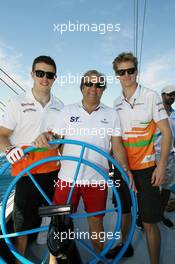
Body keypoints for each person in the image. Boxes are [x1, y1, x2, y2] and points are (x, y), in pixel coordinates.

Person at [34, 70, 135, 264]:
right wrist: (46, 137)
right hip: (67, 179)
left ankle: (100, 259)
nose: (93, 89)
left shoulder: (111, 114)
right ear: (82, 87)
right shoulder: (67, 111)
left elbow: (117, 145)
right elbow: (56, 139)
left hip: (97, 181)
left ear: (103, 90)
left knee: (96, 223)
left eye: (98, 85)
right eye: (89, 84)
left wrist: (125, 168)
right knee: (58, 226)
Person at [106, 52, 172, 264]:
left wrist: (161, 167)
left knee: (149, 221)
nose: (126, 75)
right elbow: (117, 140)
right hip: (123, 167)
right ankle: (124, 246)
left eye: (130, 70)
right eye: (121, 72)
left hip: (147, 168)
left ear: (137, 72)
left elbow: (167, 132)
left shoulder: (151, 96)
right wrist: (124, 170)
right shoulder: (116, 102)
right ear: (116, 75)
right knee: (124, 211)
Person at [0, 55, 64, 263]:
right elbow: (2, 134)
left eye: (49, 74)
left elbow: (62, 139)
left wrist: (52, 137)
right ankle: (21, 260)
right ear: (32, 74)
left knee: (55, 218)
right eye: (40, 73)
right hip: (26, 173)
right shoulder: (16, 103)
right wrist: (9, 149)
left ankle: (52, 255)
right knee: (22, 224)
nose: (44, 78)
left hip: (53, 171)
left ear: (55, 78)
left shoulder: (60, 106)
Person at [154, 85, 175, 228]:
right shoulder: (153, 113)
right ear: (162, 95)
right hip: (153, 155)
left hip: (170, 156)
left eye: (174, 95)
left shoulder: (174, 114)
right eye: (170, 94)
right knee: (151, 188)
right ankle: (143, 217)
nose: (172, 97)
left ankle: (160, 214)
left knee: (167, 188)